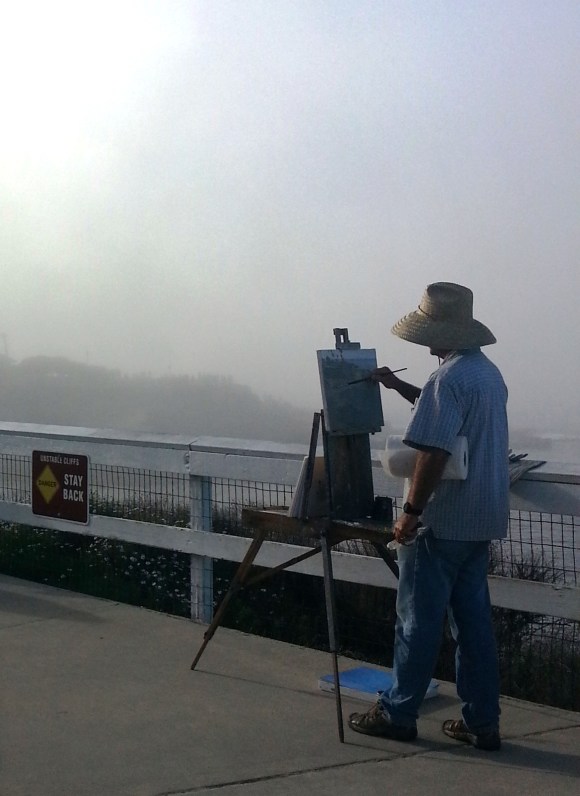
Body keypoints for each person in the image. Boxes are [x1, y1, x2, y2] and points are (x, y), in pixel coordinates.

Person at [348, 282, 509, 752]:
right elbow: (445, 415)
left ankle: (398, 713)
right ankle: (482, 722)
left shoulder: (448, 380)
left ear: (440, 331)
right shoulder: (485, 374)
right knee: (473, 626)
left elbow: (434, 451)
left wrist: (410, 514)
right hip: (480, 519)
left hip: (441, 522)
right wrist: (397, 385)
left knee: (416, 620)